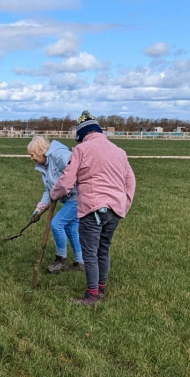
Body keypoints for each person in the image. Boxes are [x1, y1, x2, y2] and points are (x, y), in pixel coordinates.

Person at [51, 111, 136, 305]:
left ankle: (92, 296)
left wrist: (54, 194)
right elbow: (130, 181)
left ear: (81, 135)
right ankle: (102, 288)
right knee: (103, 250)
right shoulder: (119, 151)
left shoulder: (81, 150)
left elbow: (66, 182)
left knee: (90, 252)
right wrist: (124, 205)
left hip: (93, 209)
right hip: (115, 209)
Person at [27, 136, 83, 274]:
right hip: (71, 198)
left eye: (32, 154)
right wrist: (38, 210)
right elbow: (49, 191)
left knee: (56, 224)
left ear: (40, 151)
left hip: (79, 196)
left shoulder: (59, 155)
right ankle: (80, 262)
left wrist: (65, 188)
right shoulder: (44, 166)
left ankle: (61, 260)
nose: (31, 158)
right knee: (71, 229)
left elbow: (77, 168)